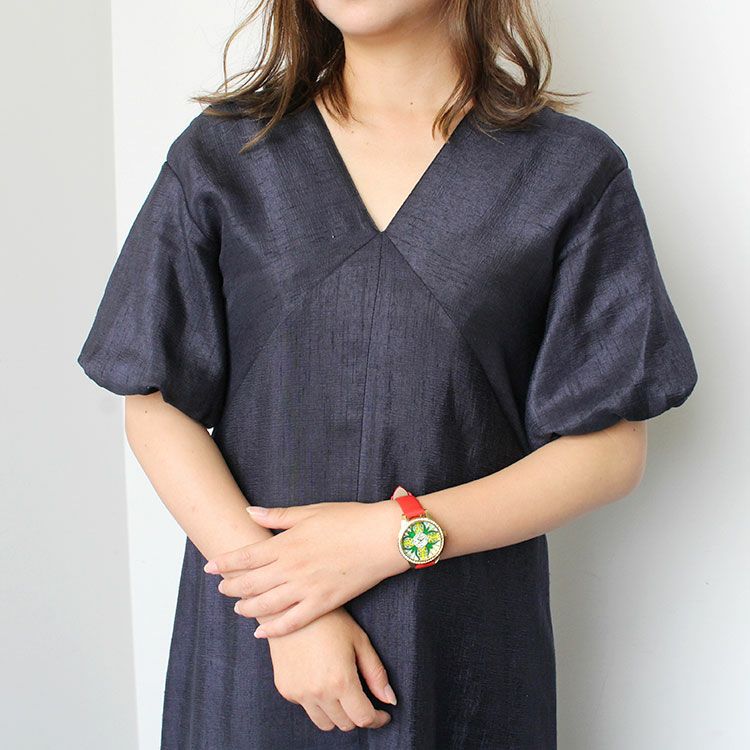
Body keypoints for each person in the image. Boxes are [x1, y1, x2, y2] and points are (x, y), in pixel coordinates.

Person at [76, 1, 698, 747]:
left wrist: (389, 538)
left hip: (463, 652)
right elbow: (152, 399)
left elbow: (610, 449)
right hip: (262, 645)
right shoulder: (226, 153)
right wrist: (289, 610)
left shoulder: (570, 171)